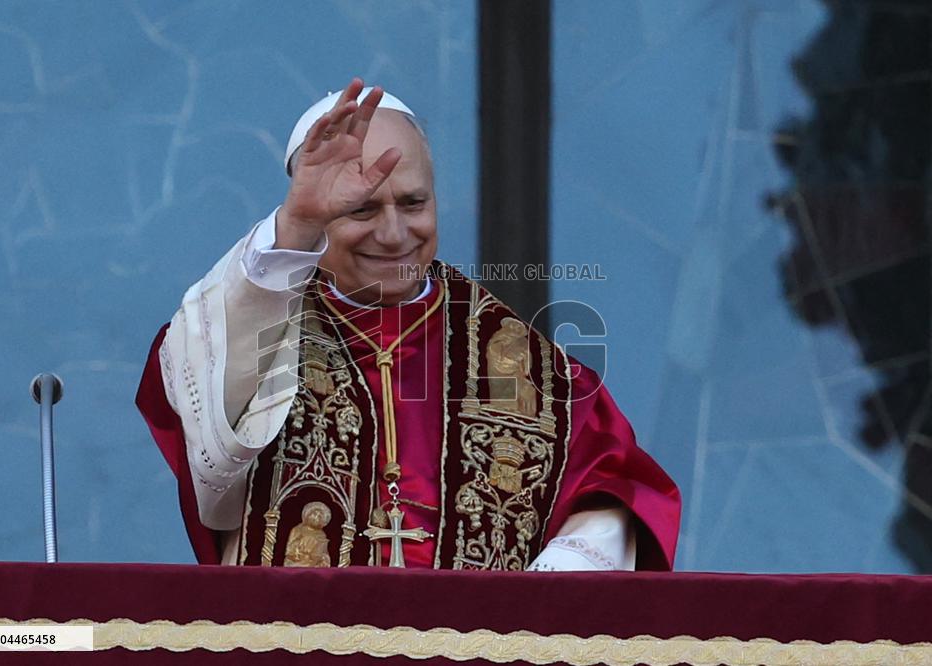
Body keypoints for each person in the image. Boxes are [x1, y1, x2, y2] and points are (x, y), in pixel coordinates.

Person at [136, 78, 681, 570]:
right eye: (363, 211)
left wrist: (559, 575)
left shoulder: (524, 361)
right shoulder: (262, 320)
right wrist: (294, 228)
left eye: (414, 203)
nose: (395, 235)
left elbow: (616, 486)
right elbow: (201, 398)